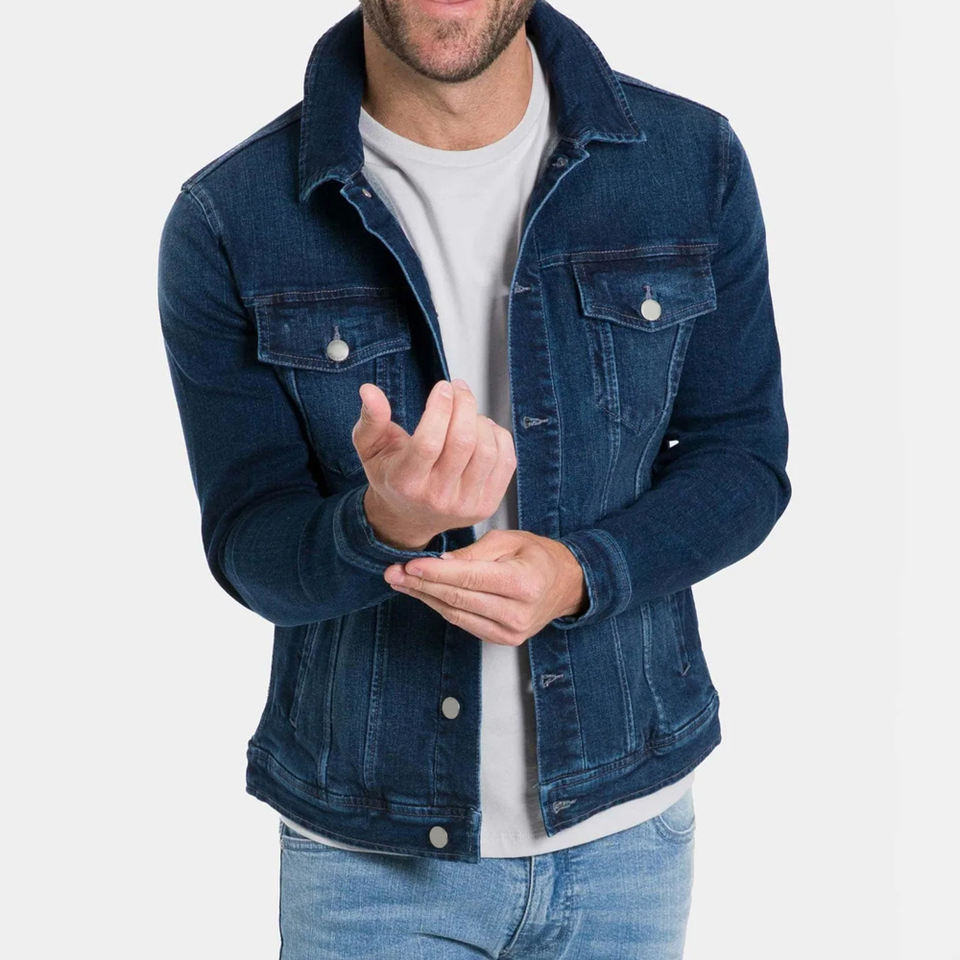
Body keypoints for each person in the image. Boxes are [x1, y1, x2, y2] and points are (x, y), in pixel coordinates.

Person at [157, 0, 791, 955]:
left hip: (628, 838)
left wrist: (579, 573)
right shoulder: (230, 217)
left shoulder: (692, 163)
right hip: (368, 865)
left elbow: (743, 457)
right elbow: (250, 547)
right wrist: (384, 523)